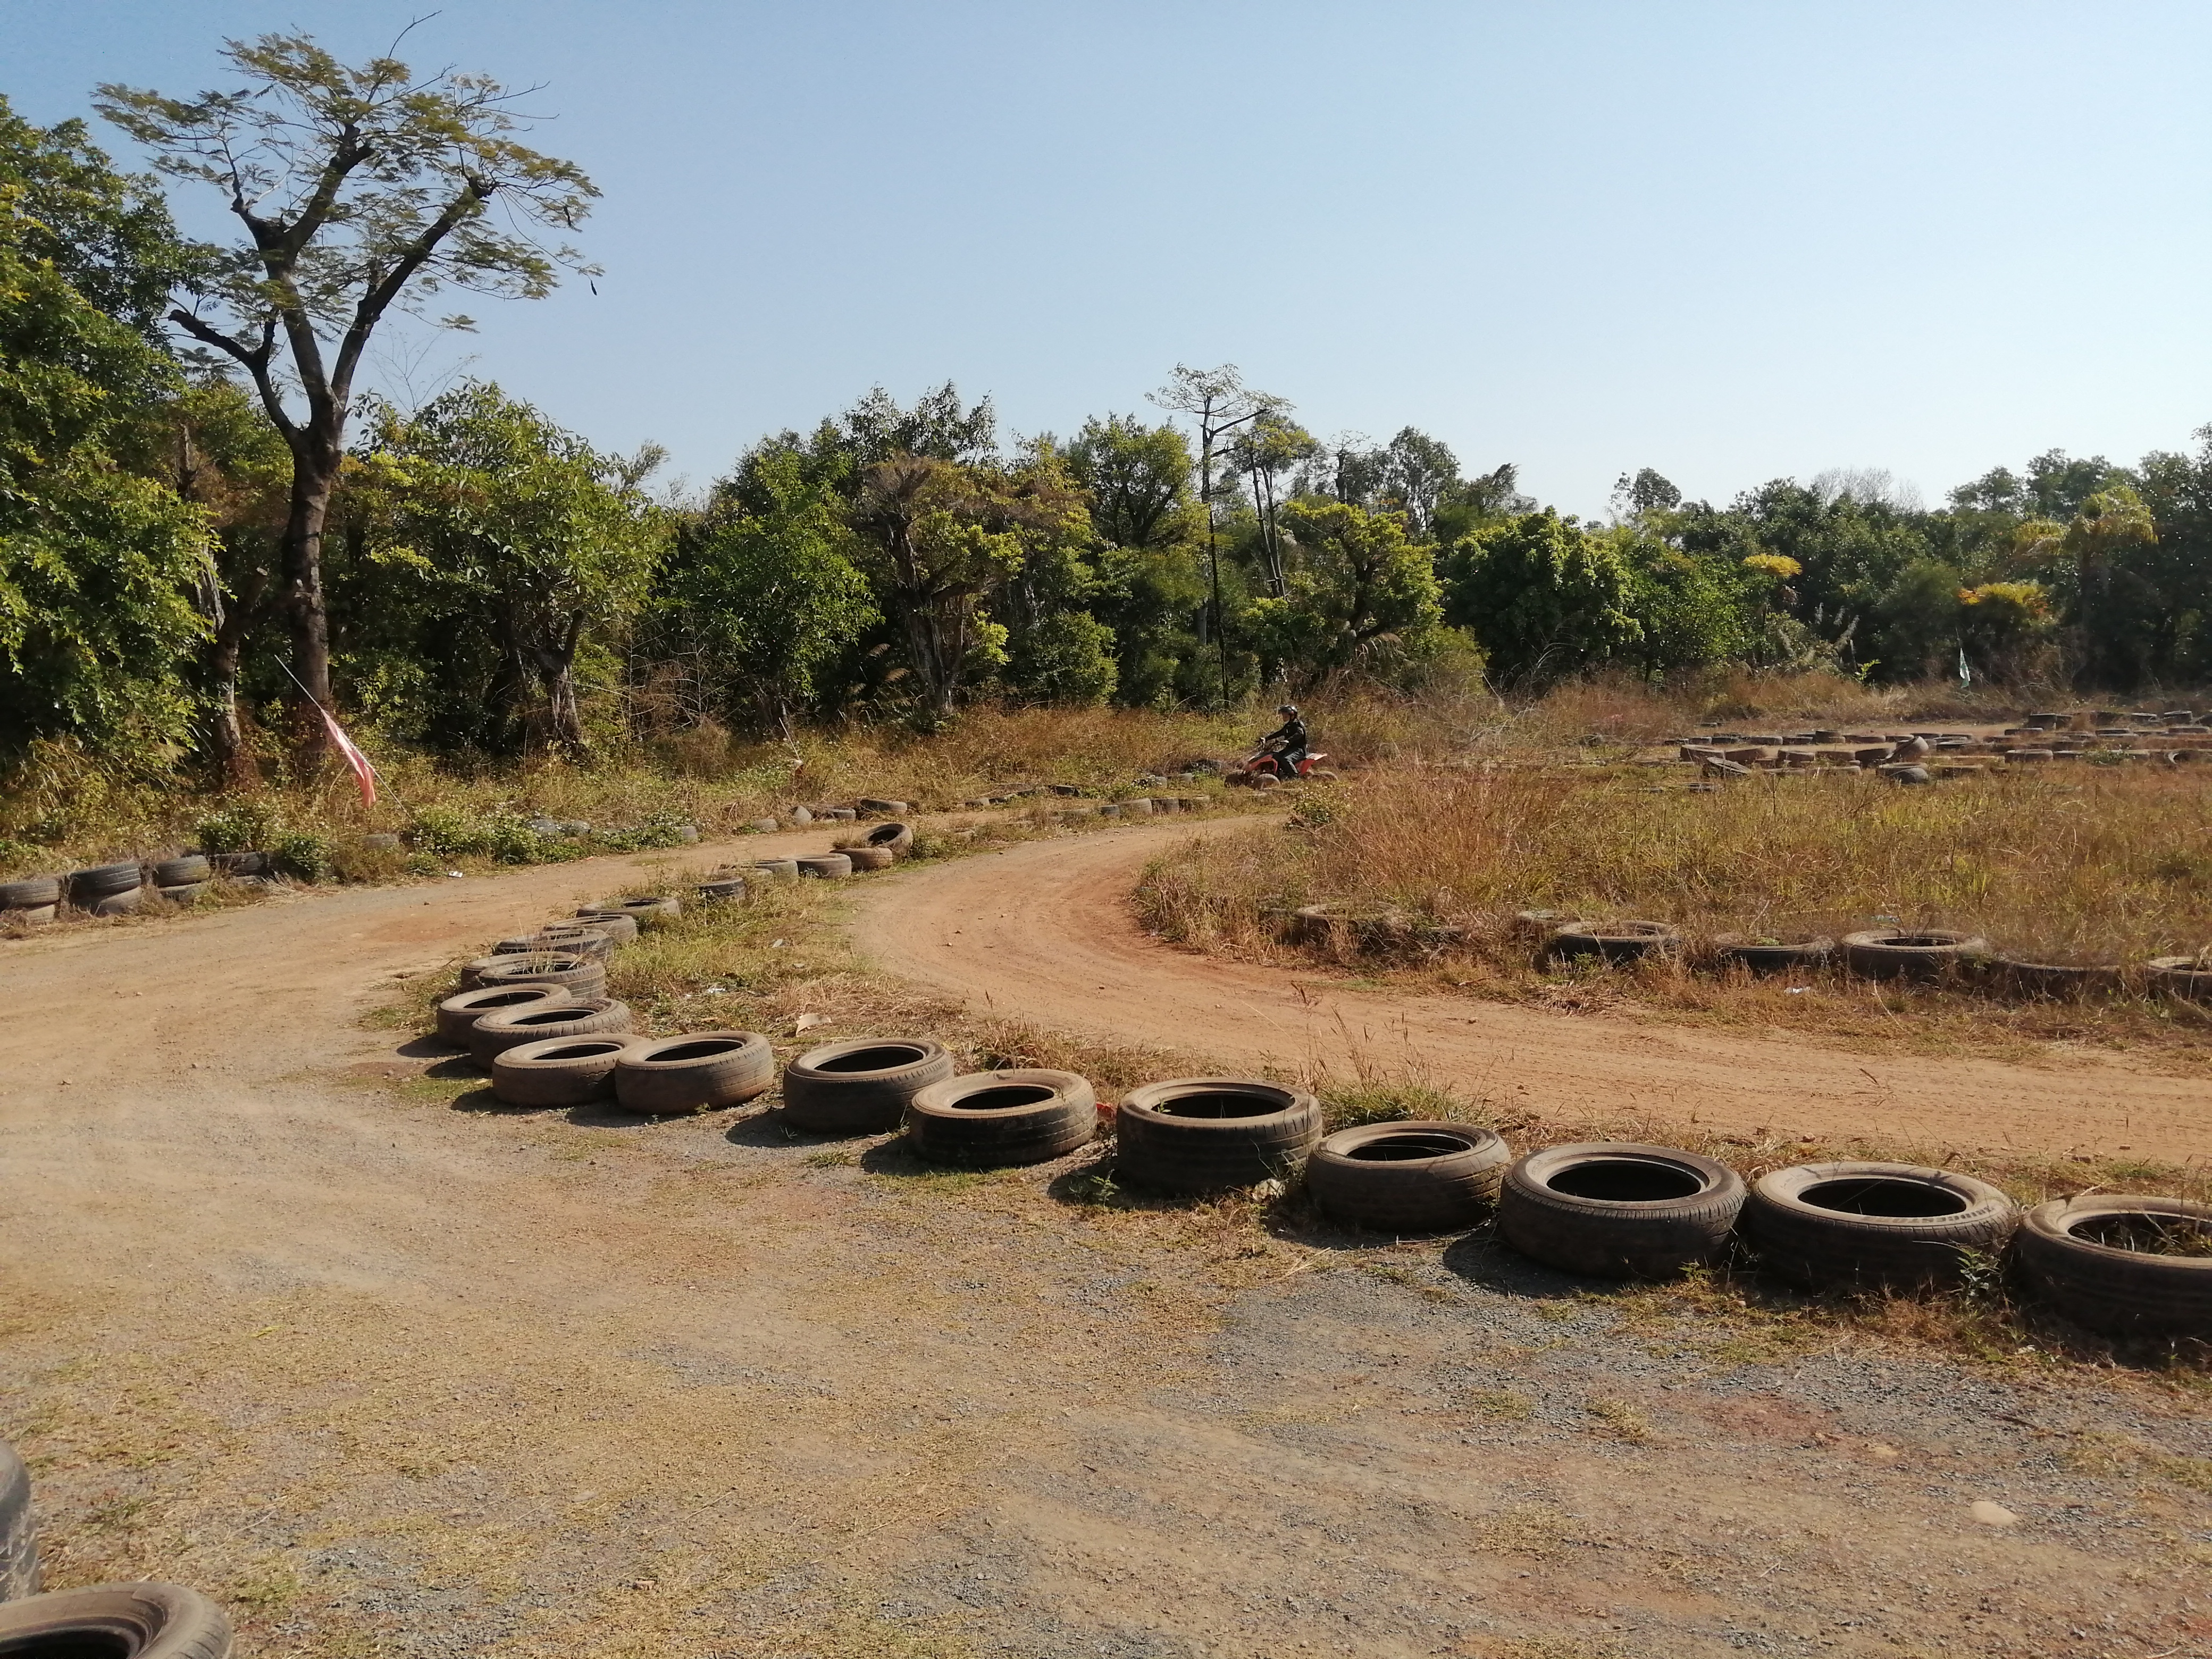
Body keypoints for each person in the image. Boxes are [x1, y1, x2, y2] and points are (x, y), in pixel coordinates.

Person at [1261, 703, 1308, 777]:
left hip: (1299, 750)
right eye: (1283, 716)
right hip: (1290, 749)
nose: (1284, 718)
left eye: (1286, 716)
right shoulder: (1288, 726)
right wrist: (1266, 739)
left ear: (1292, 716)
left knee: (1286, 760)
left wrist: (1288, 741)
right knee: (1274, 756)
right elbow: (1279, 733)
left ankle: (1295, 778)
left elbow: (1300, 733)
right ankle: (1281, 775)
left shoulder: (1297, 725)